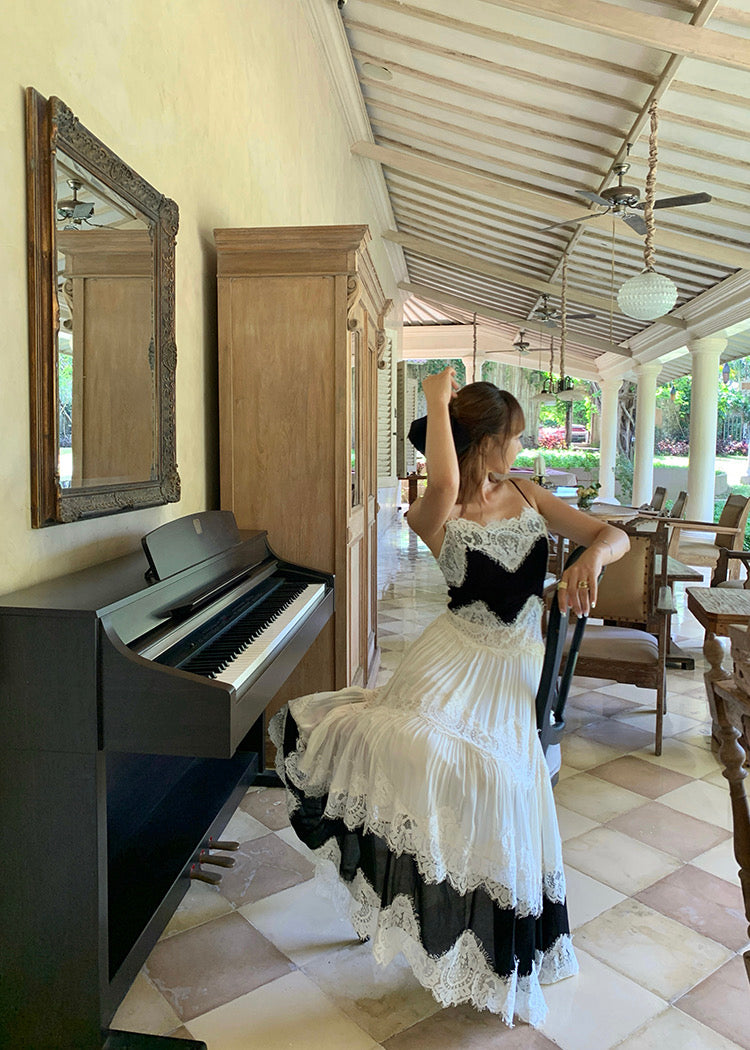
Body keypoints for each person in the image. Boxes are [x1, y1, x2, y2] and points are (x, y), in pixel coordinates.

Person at [269, 367, 629, 1027]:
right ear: (485, 441)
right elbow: (440, 482)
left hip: (516, 661)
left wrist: (589, 559)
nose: (521, 447)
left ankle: (481, 929)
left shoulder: (527, 492)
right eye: (513, 436)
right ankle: (419, 892)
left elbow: (614, 534)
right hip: (452, 655)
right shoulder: (435, 511)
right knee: (419, 750)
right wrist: (435, 399)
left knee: (495, 775)